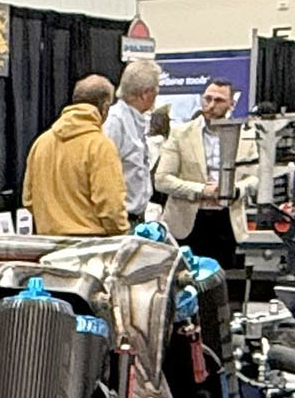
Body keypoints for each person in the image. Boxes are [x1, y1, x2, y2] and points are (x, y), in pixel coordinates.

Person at [20, 75, 127, 236]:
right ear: (105, 107)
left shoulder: (41, 143)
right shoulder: (100, 146)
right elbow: (111, 205)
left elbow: (28, 199)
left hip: (47, 242)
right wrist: (120, 233)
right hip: (92, 244)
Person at [155, 76, 241, 266]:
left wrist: (232, 189)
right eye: (207, 99)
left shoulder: (243, 135)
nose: (211, 105)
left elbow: (255, 178)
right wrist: (201, 190)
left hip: (226, 222)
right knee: (183, 278)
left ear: (232, 104)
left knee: (223, 279)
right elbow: (162, 180)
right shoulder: (180, 133)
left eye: (219, 100)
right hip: (186, 222)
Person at [103, 60, 158, 226]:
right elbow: (105, 172)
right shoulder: (114, 122)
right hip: (121, 220)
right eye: (156, 89)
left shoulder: (137, 121)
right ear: (145, 94)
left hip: (137, 217)